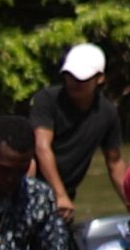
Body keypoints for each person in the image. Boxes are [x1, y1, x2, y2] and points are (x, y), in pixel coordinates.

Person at [17, 42, 117, 213]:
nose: (75, 82)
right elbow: (42, 147)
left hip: (66, 193)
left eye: (82, 79)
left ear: (99, 78)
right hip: (34, 188)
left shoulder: (107, 113)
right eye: (70, 76)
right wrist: (59, 195)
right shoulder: (47, 100)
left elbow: (115, 162)